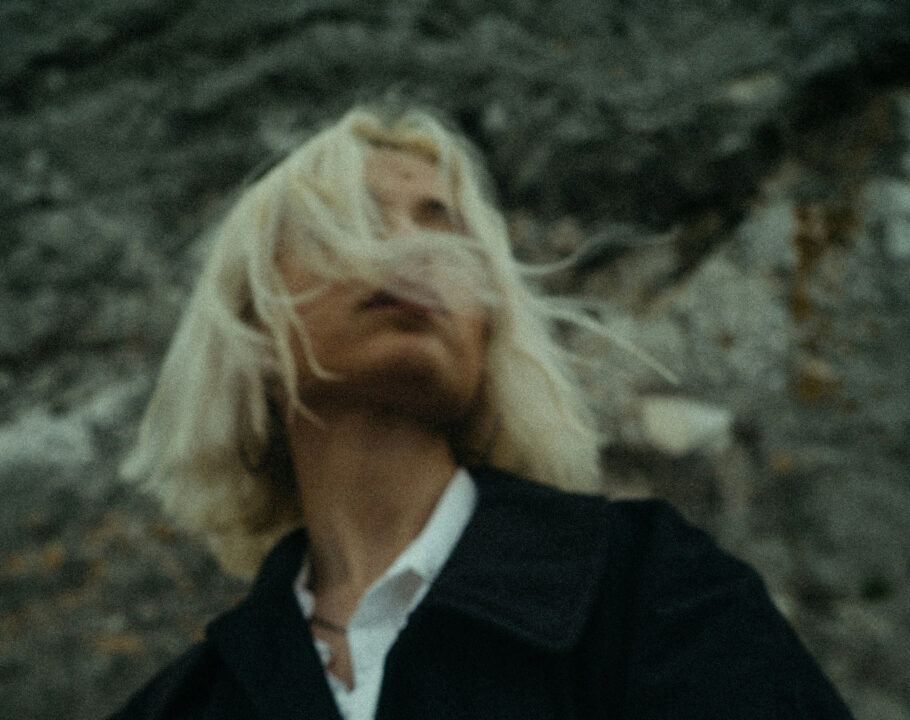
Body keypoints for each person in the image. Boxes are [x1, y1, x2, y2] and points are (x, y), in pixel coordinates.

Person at [111, 105, 854, 719]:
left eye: (443, 227)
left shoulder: (650, 586)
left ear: (487, 330)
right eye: (353, 221)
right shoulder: (179, 707)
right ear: (253, 324)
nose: (413, 249)